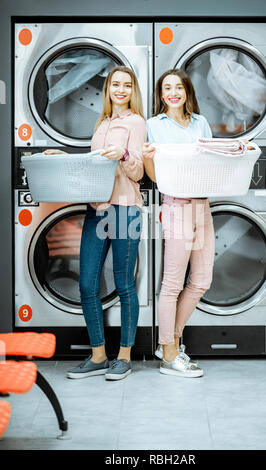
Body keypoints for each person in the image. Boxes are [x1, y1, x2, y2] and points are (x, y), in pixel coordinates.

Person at [45, 66, 146, 380]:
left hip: (125, 210)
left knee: (124, 284)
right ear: (109, 89)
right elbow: (92, 164)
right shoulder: (102, 122)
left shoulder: (136, 122)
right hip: (97, 210)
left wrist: (125, 154)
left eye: (127, 85)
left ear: (133, 91)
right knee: (87, 284)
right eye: (116, 84)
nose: (120, 90)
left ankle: (125, 357)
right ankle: (99, 355)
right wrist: (62, 155)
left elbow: (139, 172)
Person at [143, 69, 215, 378]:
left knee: (201, 281)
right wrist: (147, 159)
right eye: (167, 88)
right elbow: (156, 176)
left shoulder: (200, 123)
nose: (173, 92)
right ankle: (169, 354)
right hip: (175, 206)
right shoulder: (153, 126)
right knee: (172, 284)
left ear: (186, 91)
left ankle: (169, 343)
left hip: (203, 206)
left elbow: (210, 163)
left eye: (178, 87)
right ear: (161, 95)